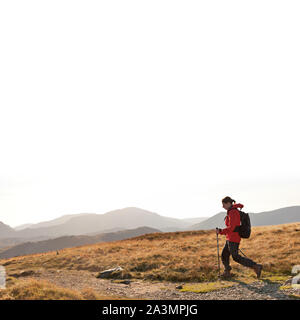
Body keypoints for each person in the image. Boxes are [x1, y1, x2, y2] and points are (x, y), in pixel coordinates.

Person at [216, 196, 263, 278]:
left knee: (236, 257)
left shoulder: (233, 212)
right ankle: (227, 272)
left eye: (223, 204)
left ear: (228, 203)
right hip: (230, 238)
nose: (222, 206)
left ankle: (256, 266)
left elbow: (232, 227)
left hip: (233, 238)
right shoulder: (231, 211)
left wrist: (221, 231)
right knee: (224, 255)